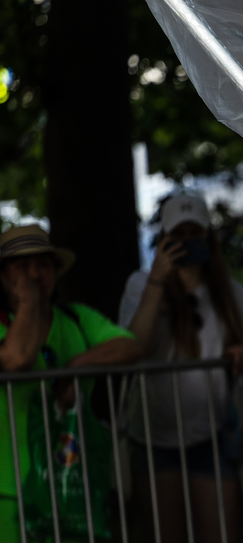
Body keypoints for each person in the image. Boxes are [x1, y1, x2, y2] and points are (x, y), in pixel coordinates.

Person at [118, 193, 243, 543]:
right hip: (153, 437)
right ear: (164, 238)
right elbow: (134, 347)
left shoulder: (229, 291)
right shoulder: (141, 284)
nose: (187, 242)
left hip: (213, 434)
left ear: (208, 238)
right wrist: (158, 279)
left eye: (194, 233)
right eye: (178, 235)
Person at [0, 224, 144, 540]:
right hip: (8, 490)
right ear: (3, 276)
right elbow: (16, 359)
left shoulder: (77, 318)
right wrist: (28, 303)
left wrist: (77, 364)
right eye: (21, 266)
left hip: (71, 483)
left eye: (42, 265)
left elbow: (130, 346)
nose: (34, 274)